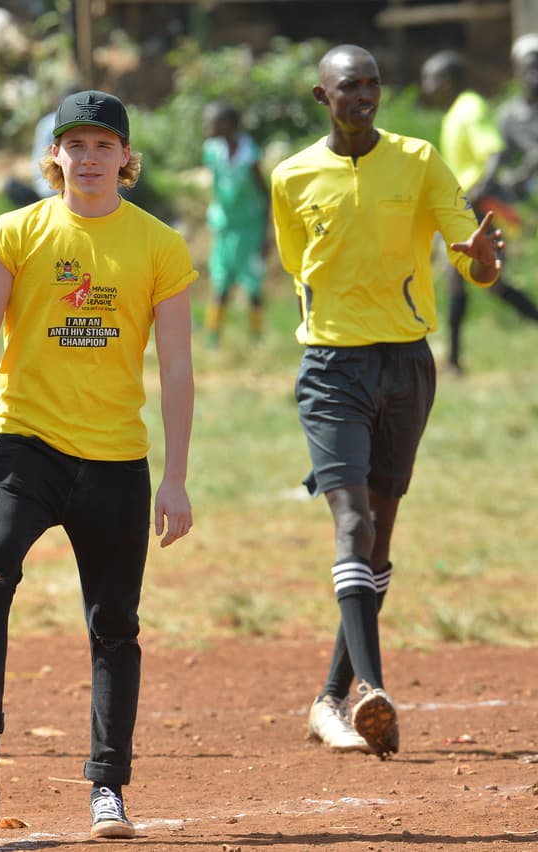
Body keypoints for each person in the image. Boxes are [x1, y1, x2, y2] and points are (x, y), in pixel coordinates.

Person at [0, 89, 196, 839]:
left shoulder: (159, 245)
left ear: (126, 157)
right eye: (73, 145)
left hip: (117, 458)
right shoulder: (14, 233)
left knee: (114, 624)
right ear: (53, 156)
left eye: (102, 145)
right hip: (27, 443)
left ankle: (107, 788)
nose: (88, 158)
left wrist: (176, 475)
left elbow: (177, 370)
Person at [270, 45, 503, 758]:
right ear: (322, 95)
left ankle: (329, 700)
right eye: (349, 87)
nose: (364, 95)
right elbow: (293, 258)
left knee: (380, 538)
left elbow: (467, 247)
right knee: (352, 523)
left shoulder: (421, 158)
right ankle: (371, 688)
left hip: (407, 365)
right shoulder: (292, 176)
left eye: (372, 83)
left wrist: (484, 262)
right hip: (332, 365)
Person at [420, 50, 538, 374]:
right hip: (464, 208)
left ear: (448, 81)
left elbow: (494, 153)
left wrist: (476, 197)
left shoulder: (469, 108)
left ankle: (454, 361)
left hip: (476, 209)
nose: (425, 85)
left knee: (475, 281)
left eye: (431, 78)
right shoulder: (457, 111)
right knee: (473, 282)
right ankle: (454, 360)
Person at [200, 100, 270, 348]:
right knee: (220, 282)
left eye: (213, 121)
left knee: (252, 285)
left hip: (249, 228)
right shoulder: (212, 150)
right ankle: (213, 339)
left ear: (229, 125)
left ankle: (256, 338)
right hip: (224, 227)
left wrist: (266, 235)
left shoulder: (248, 154)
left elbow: (265, 194)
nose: (207, 126)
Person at [497, 34, 538, 199]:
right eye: (528, 68)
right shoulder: (509, 115)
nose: (534, 75)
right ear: (517, 71)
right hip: (527, 190)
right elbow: (503, 159)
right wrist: (515, 177)